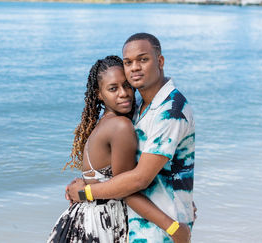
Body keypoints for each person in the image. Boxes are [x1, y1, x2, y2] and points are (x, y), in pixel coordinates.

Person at [67, 33, 195, 242]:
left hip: (163, 226)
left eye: (143, 59)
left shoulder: (170, 110)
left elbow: (138, 179)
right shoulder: (137, 111)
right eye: (128, 62)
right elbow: (124, 174)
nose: (135, 67)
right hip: (140, 224)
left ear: (160, 61)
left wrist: (85, 193)